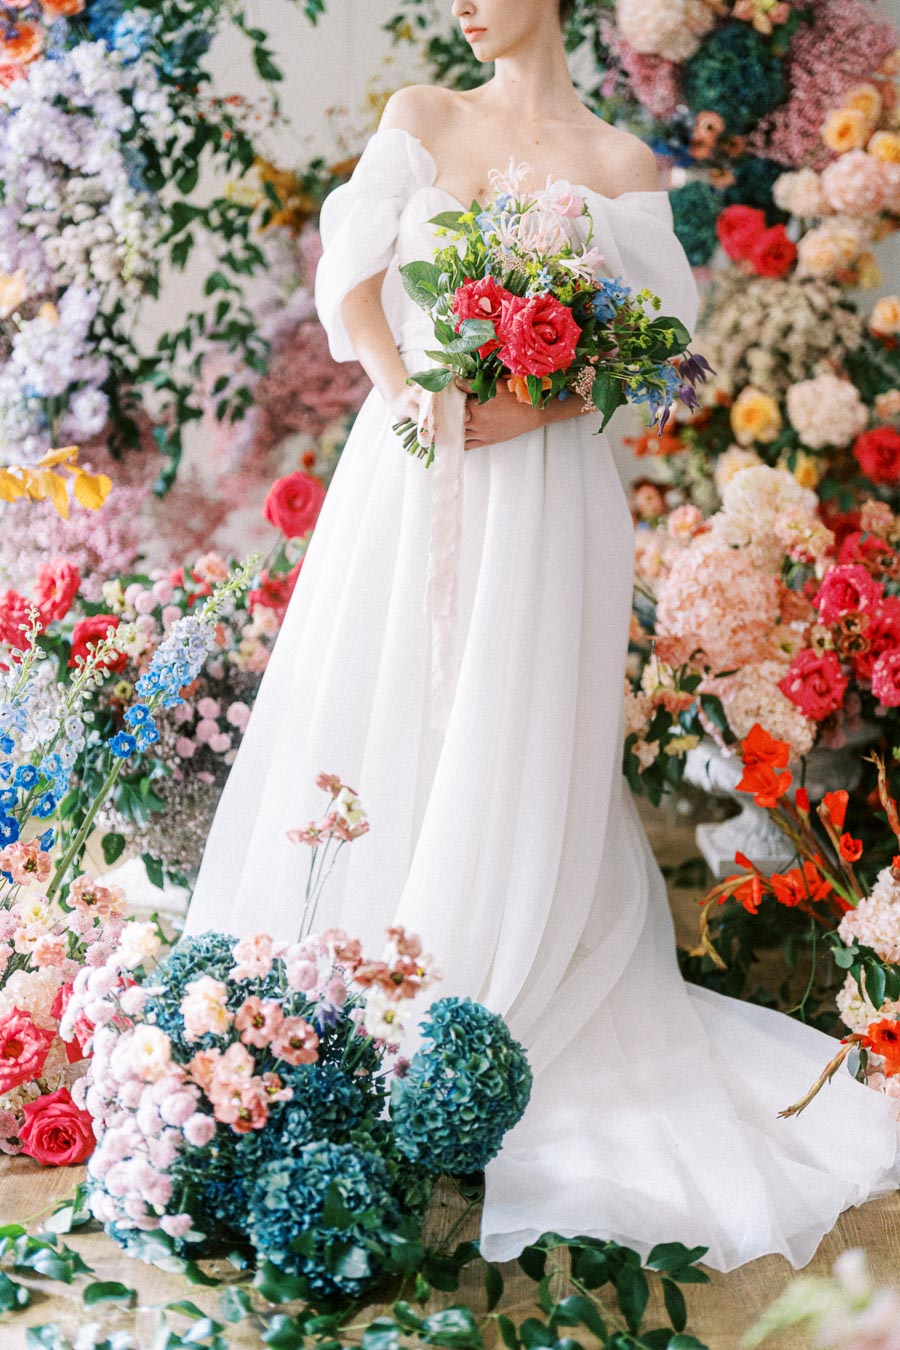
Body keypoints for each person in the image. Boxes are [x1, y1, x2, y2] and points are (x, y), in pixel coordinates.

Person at [183, 0, 900, 1272]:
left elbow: (646, 354)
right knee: (386, 699)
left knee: (511, 727)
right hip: (407, 473)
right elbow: (352, 287)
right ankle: (353, 987)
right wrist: (413, 403)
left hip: (547, 497)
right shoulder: (422, 117)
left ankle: (489, 979)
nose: (463, 2)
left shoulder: (623, 168)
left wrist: (547, 393)